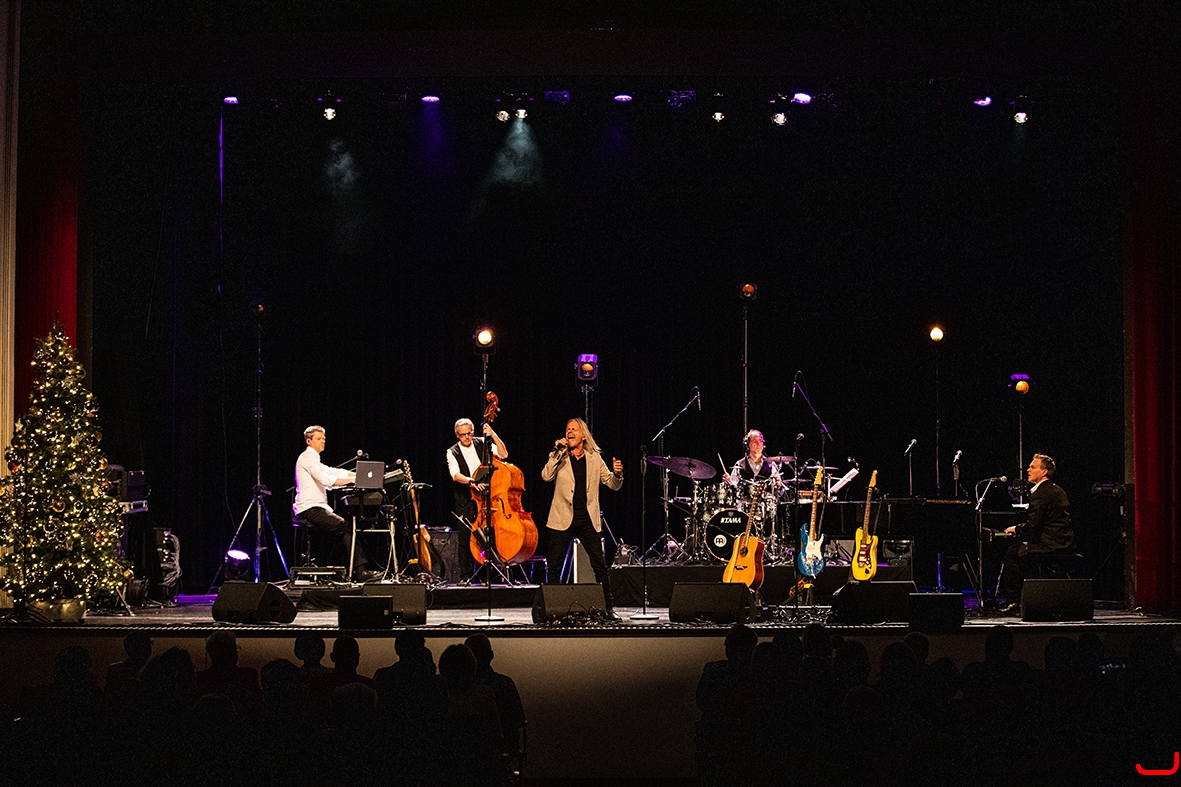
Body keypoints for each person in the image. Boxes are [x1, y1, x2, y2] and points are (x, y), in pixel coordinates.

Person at [541, 418, 624, 618]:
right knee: (555, 566)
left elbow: (612, 484)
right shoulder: (558, 456)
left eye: (574, 429)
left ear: (583, 435)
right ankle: (552, 610)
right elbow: (546, 476)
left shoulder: (594, 458)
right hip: (562, 517)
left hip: (587, 519)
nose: (569, 432)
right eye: (567, 429)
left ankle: (608, 608)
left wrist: (617, 474)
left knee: (599, 565)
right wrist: (557, 453)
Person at [293, 424, 377, 582]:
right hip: (310, 509)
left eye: (324, 438)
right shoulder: (308, 457)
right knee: (346, 528)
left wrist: (356, 476)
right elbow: (325, 479)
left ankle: (348, 571)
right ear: (309, 441)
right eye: (319, 439)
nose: (323, 441)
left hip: (315, 508)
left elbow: (331, 471)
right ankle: (360, 572)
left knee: (344, 528)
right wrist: (355, 479)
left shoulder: (313, 459)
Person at [999, 453, 1076, 613]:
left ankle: (1015, 601)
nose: (1028, 470)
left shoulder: (1041, 493)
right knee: (1022, 549)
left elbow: (1033, 526)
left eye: (1032, 467)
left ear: (1044, 472)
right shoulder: (1057, 490)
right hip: (1065, 543)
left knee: (1012, 553)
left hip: (1051, 545)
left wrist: (1016, 529)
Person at [447, 417, 509, 526]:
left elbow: (503, 455)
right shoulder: (452, 452)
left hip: (489, 495)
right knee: (467, 534)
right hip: (467, 500)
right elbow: (455, 475)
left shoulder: (482, 442)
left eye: (469, 433)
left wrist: (493, 434)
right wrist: (471, 481)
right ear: (457, 435)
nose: (467, 437)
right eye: (463, 435)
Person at [723, 429, 782, 521]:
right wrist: (729, 482)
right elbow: (733, 487)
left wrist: (778, 484)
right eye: (754, 441)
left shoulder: (771, 464)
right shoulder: (740, 464)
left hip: (765, 510)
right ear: (748, 445)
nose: (758, 444)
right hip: (745, 509)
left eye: (760, 441)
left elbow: (778, 490)